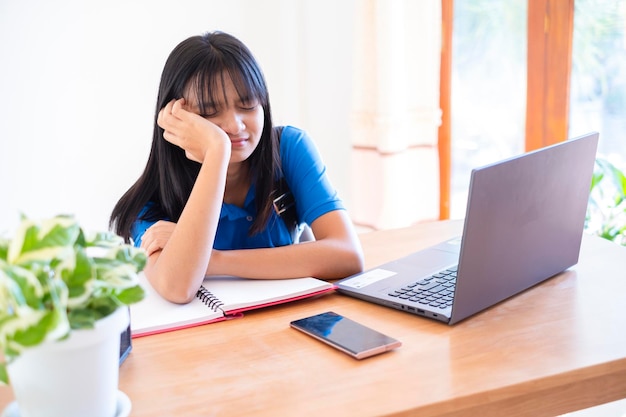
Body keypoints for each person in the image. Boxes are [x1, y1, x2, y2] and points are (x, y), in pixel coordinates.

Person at [109, 31, 364, 304]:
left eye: (247, 104)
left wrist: (214, 260)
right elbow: (176, 288)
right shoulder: (153, 201)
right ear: (175, 119)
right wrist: (216, 152)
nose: (235, 126)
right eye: (209, 112)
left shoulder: (289, 148)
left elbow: (348, 255)